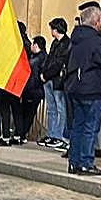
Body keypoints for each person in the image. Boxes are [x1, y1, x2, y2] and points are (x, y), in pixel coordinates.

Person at [64, 5, 101, 176]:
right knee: (90, 127)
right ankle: (86, 162)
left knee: (78, 126)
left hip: (76, 87)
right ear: (95, 22)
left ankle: (74, 162)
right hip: (92, 88)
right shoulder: (96, 41)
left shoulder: (75, 39)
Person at [38, 18, 71, 151]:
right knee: (51, 109)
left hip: (58, 81)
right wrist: (43, 73)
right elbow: (49, 59)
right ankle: (51, 134)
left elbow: (58, 63)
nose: (51, 31)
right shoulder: (55, 43)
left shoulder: (66, 44)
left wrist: (46, 75)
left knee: (60, 109)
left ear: (56, 29)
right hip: (48, 79)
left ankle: (59, 136)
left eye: (52, 28)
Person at [18, 36, 45, 143]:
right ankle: (21, 133)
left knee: (28, 114)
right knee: (25, 112)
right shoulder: (34, 57)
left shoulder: (37, 60)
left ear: (36, 45)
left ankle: (22, 134)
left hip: (33, 90)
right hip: (30, 90)